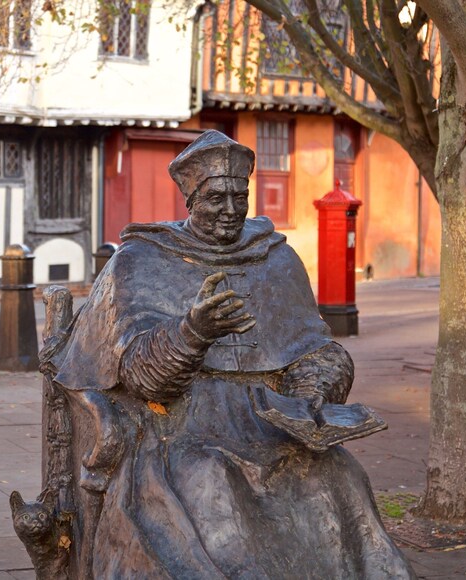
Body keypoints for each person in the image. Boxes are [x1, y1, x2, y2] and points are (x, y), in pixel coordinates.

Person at [49, 130, 415, 578]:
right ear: (191, 199)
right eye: (216, 198)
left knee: (338, 476)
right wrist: (192, 332)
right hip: (181, 427)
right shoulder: (142, 260)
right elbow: (140, 377)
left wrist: (312, 395)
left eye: (238, 197)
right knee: (213, 483)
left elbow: (317, 349)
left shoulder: (275, 259)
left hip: (271, 420)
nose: (230, 210)